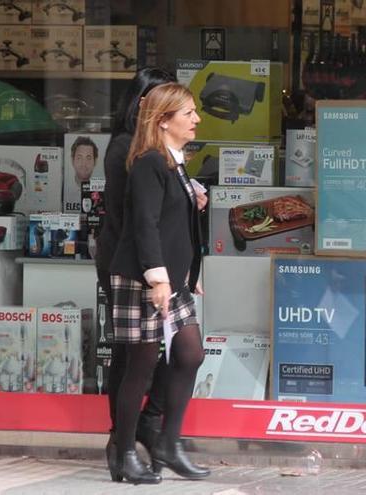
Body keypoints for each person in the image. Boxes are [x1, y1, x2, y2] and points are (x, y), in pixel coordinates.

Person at [108, 82, 208, 484]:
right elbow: (145, 225)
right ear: (164, 121)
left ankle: (168, 443)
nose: (196, 119)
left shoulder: (174, 161)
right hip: (145, 279)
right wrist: (158, 279)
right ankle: (124, 453)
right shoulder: (150, 161)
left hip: (172, 278)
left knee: (190, 355)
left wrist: (187, 272)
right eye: (188, 114)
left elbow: (170, 223)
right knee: (141, 367)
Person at [94, 67, 180, 480]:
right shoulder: (127, 150)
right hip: (129, 264)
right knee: (133, 354)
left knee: (168, 350)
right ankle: (122, 442)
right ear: (145, 102)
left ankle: (138, 432)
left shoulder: (153, 149)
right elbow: (140, 217)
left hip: (155, 263)